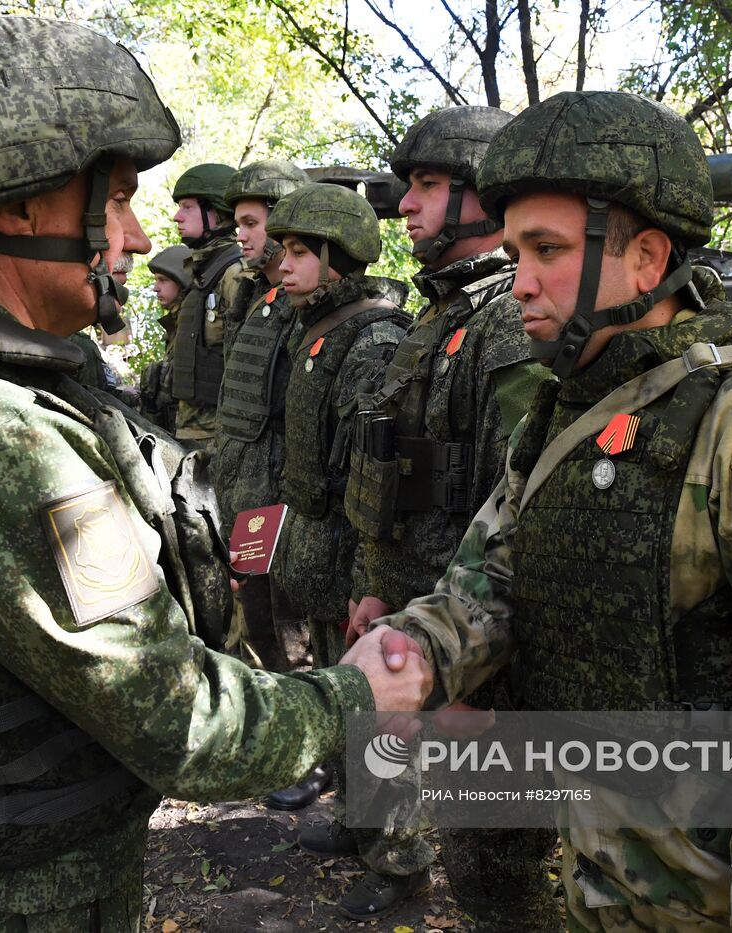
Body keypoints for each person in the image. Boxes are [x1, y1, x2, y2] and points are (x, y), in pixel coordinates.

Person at [0, 17, 432, 932]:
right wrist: (358, 694)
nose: (130, 235)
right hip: (25, 900)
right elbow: (185, 725)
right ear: (18, 205)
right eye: (115, 199)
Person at [371, 90, 732, 931]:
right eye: (515, 250)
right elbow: (488, 583)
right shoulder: (562, 415)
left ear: (647, 257)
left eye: (546, 249)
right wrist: (410, 655)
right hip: (604, 882)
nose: (519, 283)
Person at [341, 105, 558, 932]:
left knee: (496, 868)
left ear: (478, 196)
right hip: (415, 615)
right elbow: (381, 460)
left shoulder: (508, 319)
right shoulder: (439, 316)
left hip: (472, 648)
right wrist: (371, 584)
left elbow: (522, 511)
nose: (404, 205)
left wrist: (480, 679)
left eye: (427, 186)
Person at [261, 182, 433, 920]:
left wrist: (372, 575)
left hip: (359, 554)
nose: (283, 265)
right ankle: (363, 825)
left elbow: (372, 477)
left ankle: (401, 861)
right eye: (283, 250)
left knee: (378, 718)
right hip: (321, 551)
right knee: (345, 702)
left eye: (301, 252)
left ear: (341, 259)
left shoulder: (373, 338)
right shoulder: (316, 329)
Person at [212, 158, 310, 675]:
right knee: (256, 634)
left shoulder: (310, 306)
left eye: (252, 224)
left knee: (289, 644)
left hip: (283, 508)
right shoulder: (255, 297)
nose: (241, 236)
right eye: (238, 224)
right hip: (247, 498)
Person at [169, 162, 243, 451]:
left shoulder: (234, 272)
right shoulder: (203, 271)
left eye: (187, 207)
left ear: (216, 212)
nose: (177, 216)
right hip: (192, 430)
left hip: (217, 437)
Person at [139, 244, 192, 431]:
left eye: (162, 280)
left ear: (182, 281)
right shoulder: (177, 325)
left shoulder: (192, 326)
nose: (155, 288)